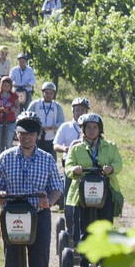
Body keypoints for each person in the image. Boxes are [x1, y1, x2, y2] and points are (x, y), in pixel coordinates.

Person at [0, 112, 64, 267]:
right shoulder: (6, 157)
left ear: (37, 135)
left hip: (38, 216)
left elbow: (57, 189)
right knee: (11, 266)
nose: (26, 137)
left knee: (39, 266)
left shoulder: (47, 158)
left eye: (31, 133)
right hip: (12, 216)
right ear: (17, 133)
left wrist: (47, 203)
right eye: (22, 133)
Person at [64, 113, 123, 266]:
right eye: (88, 127)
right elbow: (68, 167)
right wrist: (74, 170)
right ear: (83, 130)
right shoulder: (76, 149)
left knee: (105, 226)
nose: (91, 130)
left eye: (94, 127)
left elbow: (118, 164)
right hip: (82, 192)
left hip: (105, 190)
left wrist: (111, 168)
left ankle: (105, 261)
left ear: (99, 129)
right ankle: (85, 263)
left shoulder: (110, 147)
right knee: (84, 228)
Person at [54, 96, 90, 243]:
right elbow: (55, 145)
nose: (80, 112)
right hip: (70, 166)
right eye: (77, 110)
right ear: (73, 111)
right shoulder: (66, 127)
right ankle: (72, 231)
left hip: (88, 168)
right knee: (70, 199)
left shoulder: (91, 126)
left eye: (82, 109)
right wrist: (66, 148)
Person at [27, 81, 65, 158]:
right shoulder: (35, 104)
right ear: (43, 92)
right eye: (47, 93)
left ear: (54, 94)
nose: (49, 95)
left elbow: (61, 121)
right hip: (36, 137)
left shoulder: (57, 106)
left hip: (51, 138)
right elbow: (27, 117)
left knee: (51, 159)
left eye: (51, 93)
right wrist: (37, 126)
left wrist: (54, 126)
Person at [0, 76, 19, 160]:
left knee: (8, 143)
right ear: (1, 85)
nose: (6, 88)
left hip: (10, 120)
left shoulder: (14, 95)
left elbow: (17, 106)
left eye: (8, 86)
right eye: (5, 85)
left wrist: (13, 109)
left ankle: (9, 160)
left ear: (11, 86)